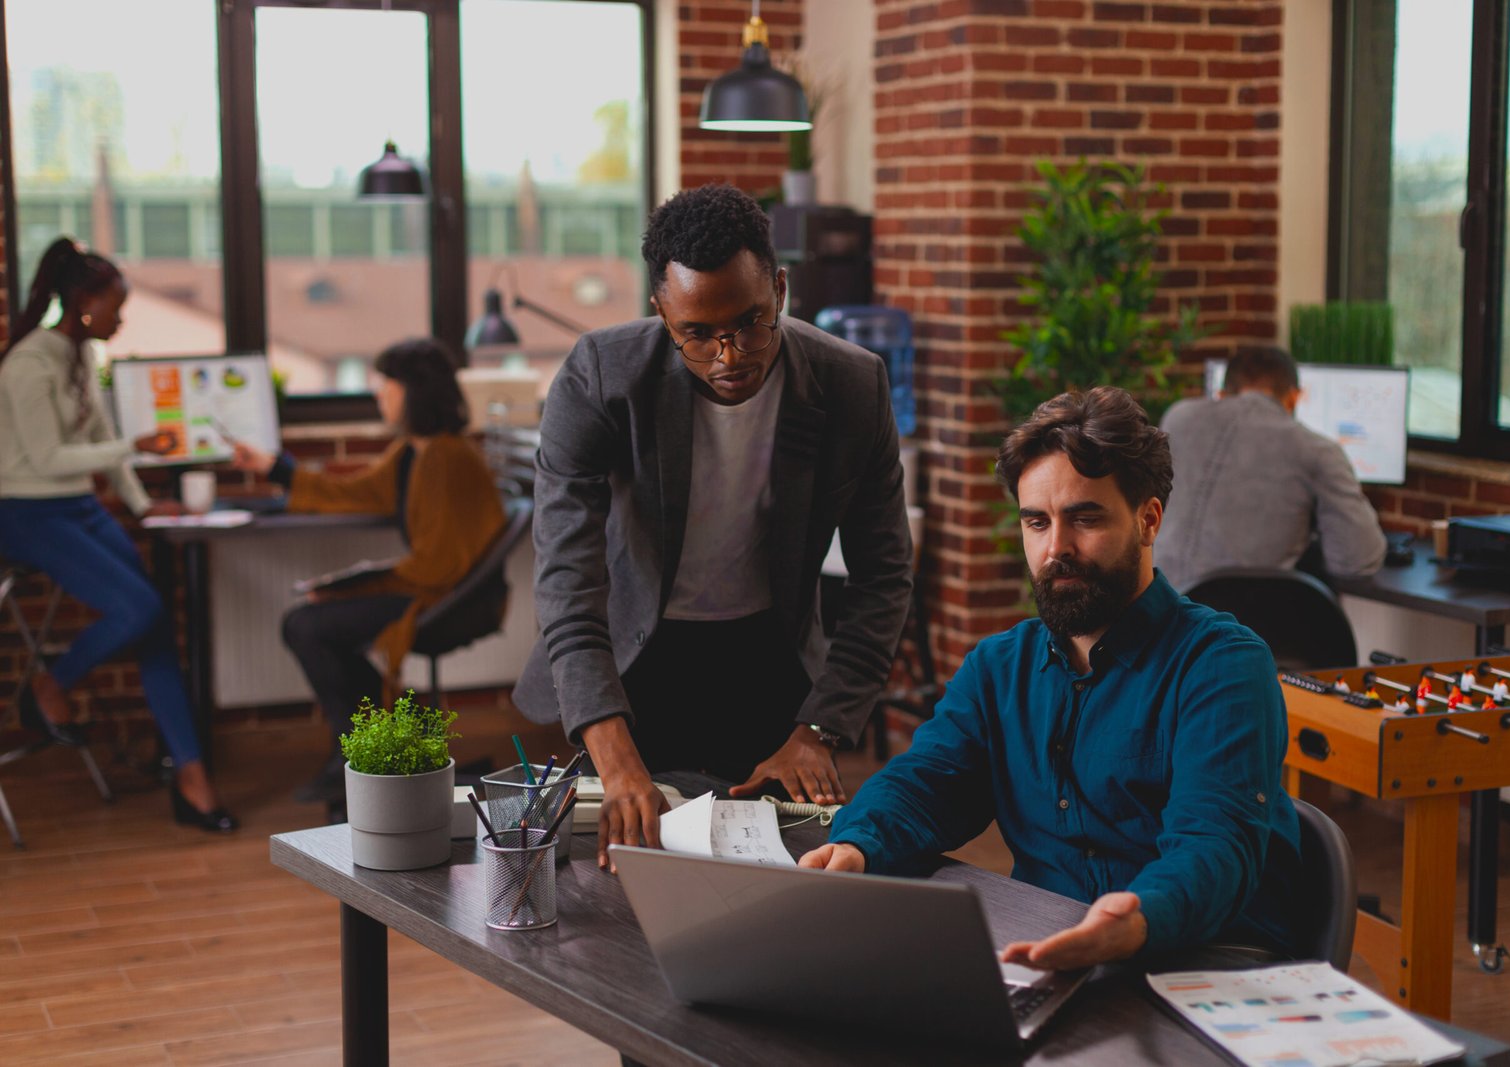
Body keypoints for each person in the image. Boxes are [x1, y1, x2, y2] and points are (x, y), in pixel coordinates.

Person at [800, 387, 1300, 972]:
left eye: (1084, 518)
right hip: (1048, 946)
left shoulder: (1222, 664)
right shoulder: (999, 666)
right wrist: (856, 846)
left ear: (1148, 519)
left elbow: (1214, 845)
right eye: (1036, 522)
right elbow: (927, 782)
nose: (1055, 548)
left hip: (1201, 959)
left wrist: (1134, 918)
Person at [513, 184, 914, 868]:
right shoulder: (601, 377)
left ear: (780, 290)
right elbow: (567, 583)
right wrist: (614, 757)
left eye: (750, 322)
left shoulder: (852, 385)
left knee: (769, 881)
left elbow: (885, 577)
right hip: (633, 663)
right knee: (621, 881)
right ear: (662, 313)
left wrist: (820, 726)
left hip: (768, 662)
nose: (729, 356)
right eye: (698, 333)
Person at [0, 236, 235, 832]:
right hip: (27, 512)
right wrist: (135, 445)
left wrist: (141, 504)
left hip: (78, 506)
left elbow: (98, 437)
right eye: (115, 305)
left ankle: (192, 778)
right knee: (139, 607)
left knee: (153, 622)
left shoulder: (82, 357)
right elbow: (51, 457)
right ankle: (50, 686)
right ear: (83, 303)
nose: (121, 316)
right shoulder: (28, 364)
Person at [233, 338, 505, 802]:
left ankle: (362, 753)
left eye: (387, 384)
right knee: (308, 624)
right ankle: (392, 741)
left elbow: (438, 568)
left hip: (453, 600)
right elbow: (353, 493)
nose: (379, 394)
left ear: (414, 392)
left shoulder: (446, 458)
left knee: (308, 626)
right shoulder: (414, 452)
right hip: (433, 589)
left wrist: (344, 591)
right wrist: (275, 468)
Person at [1154, 346, 1386, 592]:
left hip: (1154, 612)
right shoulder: (1318, 450)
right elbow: (1357, 561)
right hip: (1241, 623)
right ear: (1295, 398)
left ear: (1221, 394)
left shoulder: (1178, 418)